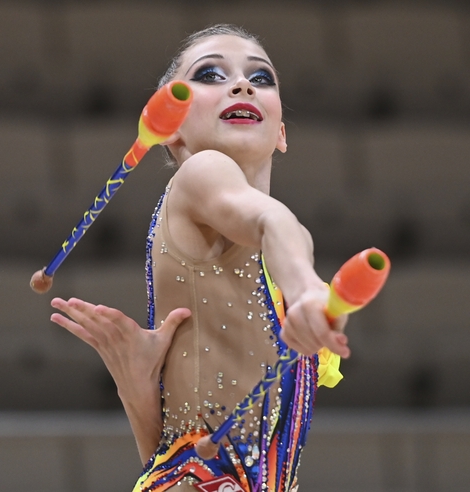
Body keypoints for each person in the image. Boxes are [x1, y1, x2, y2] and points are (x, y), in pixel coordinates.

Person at [51, 24, 350, 491]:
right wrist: (310, 290)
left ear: (282, 133)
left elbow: (176, 460)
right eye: (210, 74)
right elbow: (272, 221)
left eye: (262, 78)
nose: (242, 84)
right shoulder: (202, 173)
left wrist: (139, 390)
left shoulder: (276, 257)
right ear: (171, 130)